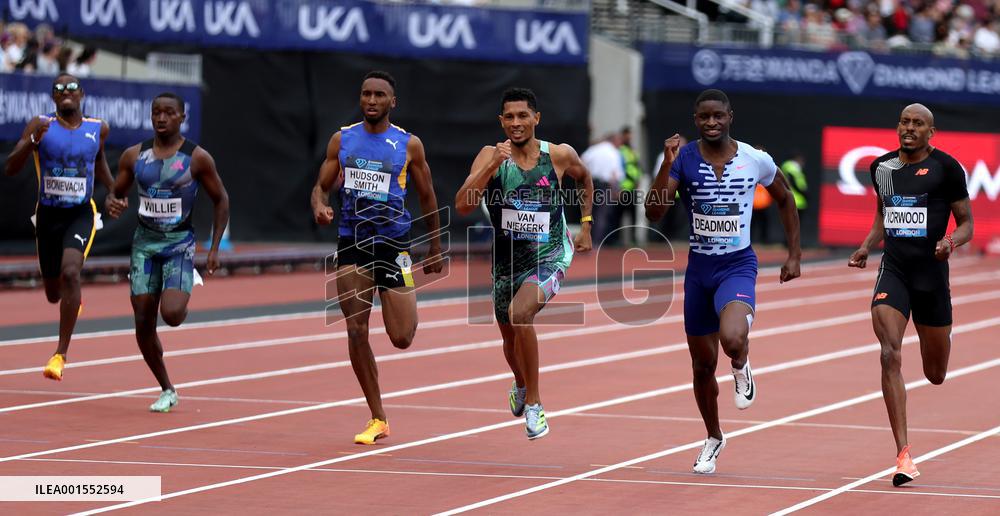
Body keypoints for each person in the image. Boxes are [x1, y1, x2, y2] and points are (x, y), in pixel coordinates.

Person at [645, 89, 801, 474]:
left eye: (718, 116)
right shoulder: (683, 159)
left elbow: (784, 198)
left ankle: (742, 360)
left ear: (730, 116)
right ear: (695, 120)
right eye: (704, 117)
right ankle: (713, 436)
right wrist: (666, 166)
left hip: (737, 266)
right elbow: (654, 213)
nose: (711, 122)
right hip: (699, 271)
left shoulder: (754, 159)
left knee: (732, 338)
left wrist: (793, 253)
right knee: (701, 366)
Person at [310, 71, 443, 444]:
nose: (371, 100)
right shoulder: (343, 138)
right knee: (355, 330)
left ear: (392, 102)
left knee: (401, 336)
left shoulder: (408, 144)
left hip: (394, 245)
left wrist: (434, 247)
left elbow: (428, 196)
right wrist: (319, 206)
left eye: (379, 95)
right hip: (352, 242)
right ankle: (377, 416)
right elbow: (320, 187)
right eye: (366, 94)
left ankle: (400, 304)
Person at [455, 87, 594, 440]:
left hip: (548, 256)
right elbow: (463, 206)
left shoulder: (558, 155)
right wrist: (491, 166)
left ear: (536, 118)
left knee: (521, 314)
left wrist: (587, 225)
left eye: (523, 116)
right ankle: (520, 382)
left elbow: (585, 178)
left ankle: (534, 404)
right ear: (501, 121)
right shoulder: (490, 155)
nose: (516, 123)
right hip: (506, 262)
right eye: (509, 117)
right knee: (509, 337)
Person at [848, 103, 973, 487]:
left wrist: (950, 241)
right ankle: (904, 455)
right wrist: (868, 244)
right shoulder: (881, 168)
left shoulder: (947, 169)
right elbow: (884, 215)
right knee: (889, 353)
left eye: (918, 124)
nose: (909, 128)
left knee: (935, 374)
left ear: (930, 132)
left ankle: (941, 335)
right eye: (905, 122)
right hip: (896, 270)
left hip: (932, 277)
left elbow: (967, 222)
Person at [105, 93, 230, 412]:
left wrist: (214, 248)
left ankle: (182, 284)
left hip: (178, 244)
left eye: (169, 113)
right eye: (156, 113)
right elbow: (116, 193)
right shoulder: (135, 156)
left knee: (172, 315)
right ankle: (166, 387)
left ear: (181, 117)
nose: (161, 118)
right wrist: (114, 203)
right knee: (143, 320)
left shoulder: (197, 158)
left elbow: (221, 200)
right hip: (144, 245)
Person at [3, 74, 114, 381]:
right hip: (48, 216)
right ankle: (71, 300)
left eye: (72, 88)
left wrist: (115, 190)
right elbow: (11, 167)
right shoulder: (41, 124)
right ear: (53, 97)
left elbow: (100, 160)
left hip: (80, 213)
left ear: (82, 94)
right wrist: (31, 141)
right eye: (59, 89)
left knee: (71, 272)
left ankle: (59, 355)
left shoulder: (97, 128)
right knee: (54, 293)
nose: (66, 92)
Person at [780, 152, 808, 222]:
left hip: (797, 201)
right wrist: (804, 193)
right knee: (792, 224)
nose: (803, 164)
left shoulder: (795, 170)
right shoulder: (791, 169)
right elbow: (793, 183)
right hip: (793, 200)